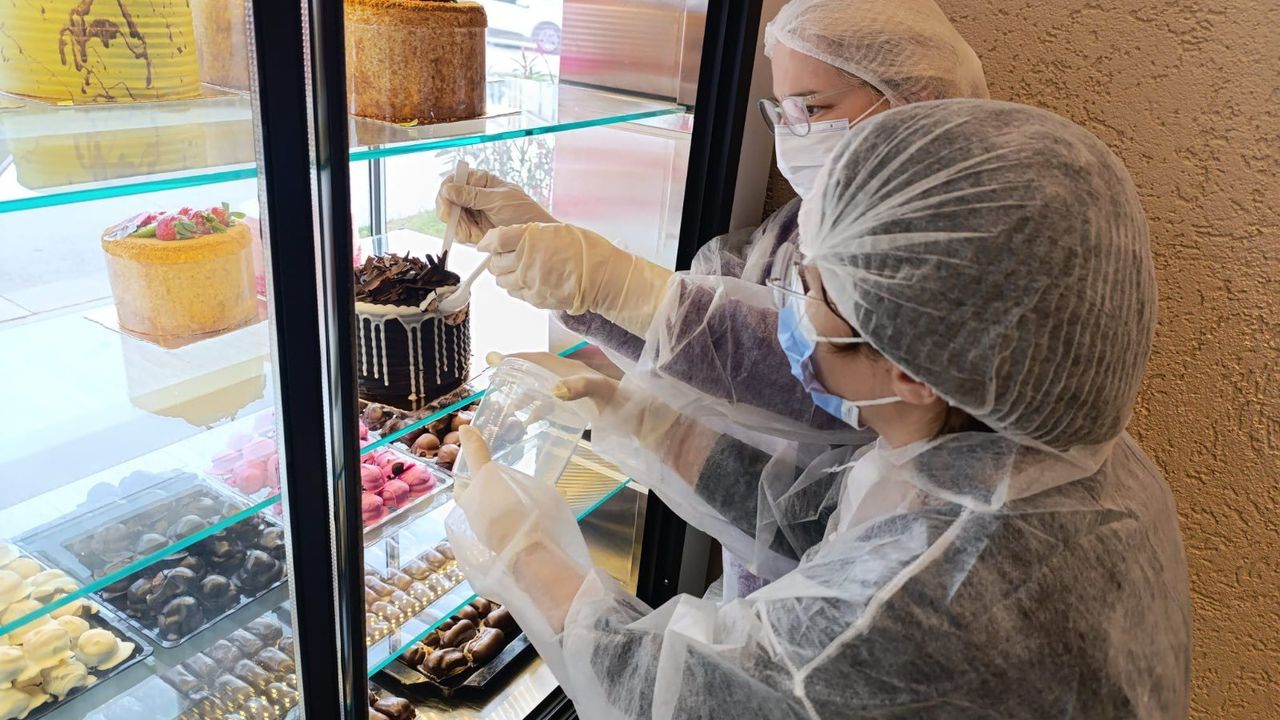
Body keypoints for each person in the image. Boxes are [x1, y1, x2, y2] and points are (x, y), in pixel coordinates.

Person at [446, 99, 1193, 719]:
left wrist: (519, 549)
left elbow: (674, 696)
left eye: (812, 293)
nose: (785, 315)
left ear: (911, 369)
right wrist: (642, 419)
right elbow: (807, 520)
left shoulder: (926, 602)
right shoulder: (1023, 463)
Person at [437, 0, 989, 434]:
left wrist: (608, 284)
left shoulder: (960, 244)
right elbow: (710, 359)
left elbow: (821, 385)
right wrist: (562, 262)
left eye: (814, 108)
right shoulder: (795, 228)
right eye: (783, 111)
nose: (794, 136)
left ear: (915, 97)